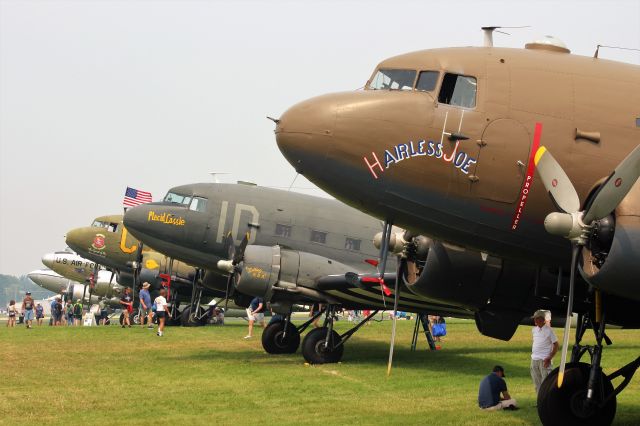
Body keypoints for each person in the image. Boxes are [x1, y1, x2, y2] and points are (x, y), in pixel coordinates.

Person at [531, 309, 559, 394]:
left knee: (545, 383)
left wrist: (549, 357)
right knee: (537, 383)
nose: (535, 320)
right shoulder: (534, 330)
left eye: (537, 318)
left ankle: (546, 402)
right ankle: (539, 402)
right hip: (534, 359)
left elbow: (556, 345)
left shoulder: (549, 330)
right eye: (534, 318)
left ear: (542, 319)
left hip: (545, 360)